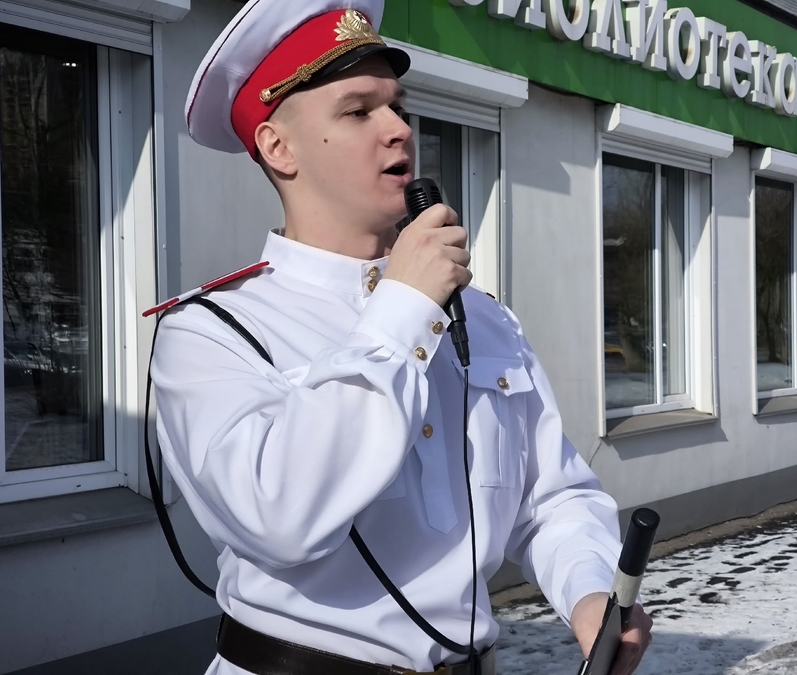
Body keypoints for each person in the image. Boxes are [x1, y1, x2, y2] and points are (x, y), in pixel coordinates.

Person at [148, 0, 652, 673]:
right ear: (278, 147)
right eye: (359, 111)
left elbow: (552, 495)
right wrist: (404, 309)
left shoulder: (482, 316)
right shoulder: (210, 332)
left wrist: (589, 591)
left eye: (398, 106)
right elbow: (279, 517)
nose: (399, 130)